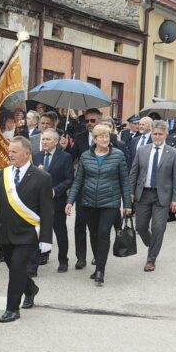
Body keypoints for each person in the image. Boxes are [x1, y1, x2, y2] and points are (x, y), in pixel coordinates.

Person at [0, 136, 53, 322]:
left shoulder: (42, 177)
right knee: (15, 268)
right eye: (10, 151)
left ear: (27, 154)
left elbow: (47, 210)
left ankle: (12, 309)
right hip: (6, 234)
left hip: (28, 234)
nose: (10, 154)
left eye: (14, 151)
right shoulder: (4, 174)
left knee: (16, 268)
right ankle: (30, 289)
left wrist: (46, 238)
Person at [65, 124, 132, 284]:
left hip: (110, 201)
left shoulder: (118, 155)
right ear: (94, 139)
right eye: (101, 136)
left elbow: (124, 181)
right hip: (88, 201)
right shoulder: (86, 157)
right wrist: (70, 201)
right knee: (93, 234)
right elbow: (78, 181)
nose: (104, 139)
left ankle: (100, 269)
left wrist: (127, 204)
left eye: (107, 136)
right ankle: (98, 263)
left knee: (103, 233)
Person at [69, 109, 122, 270]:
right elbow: (71, 159)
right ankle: (81, 257)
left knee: (100, 229)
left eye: (93, 120)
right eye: (87, 121)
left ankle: (98, 258)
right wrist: (64, 148)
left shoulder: (111, 139)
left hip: (105, 192)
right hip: (84, 189)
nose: (89, 124)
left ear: (100, 121)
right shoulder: (80, 137)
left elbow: (120, 166)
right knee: (80, 224)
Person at [129, 120, 176, 272]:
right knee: (141, 227)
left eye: (160, 134)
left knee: (158, 227)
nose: (157, 136)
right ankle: (153, 244)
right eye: (154, 134)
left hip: (162, 196)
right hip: (143, 194)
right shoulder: (142, 150)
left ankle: (151, 259)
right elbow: (134, 173)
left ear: (166, 135)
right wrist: (130, 192)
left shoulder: (173, 153)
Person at [31, 129, 73, 273]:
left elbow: (69, 179)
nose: (44, 142)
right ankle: (34, 263)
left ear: (55, 141)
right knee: (37, 232)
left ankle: (63, 260)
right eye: (43, 139)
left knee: (60, 232)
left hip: (57, 201)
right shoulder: (36, 157)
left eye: (48, 139)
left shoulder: (65, 157)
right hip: (38, 203)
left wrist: (56, 190)